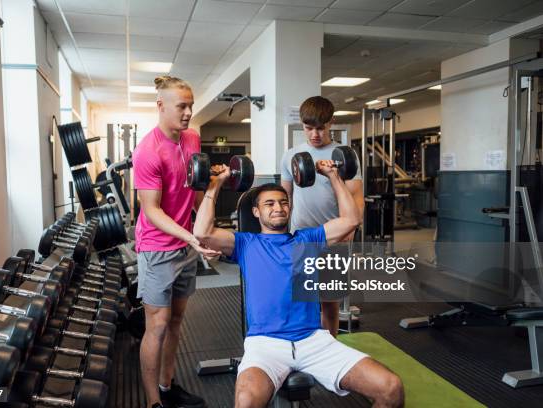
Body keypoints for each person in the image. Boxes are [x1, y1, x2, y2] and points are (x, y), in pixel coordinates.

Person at [193, 163, 403, 408]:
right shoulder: (245, 243)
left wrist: (334, 175)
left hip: (313, 341)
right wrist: (215, 184)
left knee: (391, 388)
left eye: (283, 202)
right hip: (265, 345)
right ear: (256, 212)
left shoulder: (308, 239)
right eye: (269, 204)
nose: (278, 208)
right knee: (246, 401)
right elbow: (202, 232)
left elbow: (352, 219)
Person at [132, 76, 217, 408]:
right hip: (156, 249)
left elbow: (194, 192)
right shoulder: (147, 151)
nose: (188, 112)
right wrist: (192, 237)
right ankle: (153, 402)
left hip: (185, 246)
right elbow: (151, 210)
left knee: (178, 320)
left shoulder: (192, 139)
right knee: (158, 325)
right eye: (181, 106)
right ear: (161, 106)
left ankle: (168, 386)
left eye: (190, 105)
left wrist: (211, 197)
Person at [281, 96, 365, 336]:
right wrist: (281, 235)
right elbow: (285, 197)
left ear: (331, 123)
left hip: (334, 236)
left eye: (320, 128)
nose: (314, 134)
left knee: (330, 301)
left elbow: (356, 197)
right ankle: (304, 348)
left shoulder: (345, 155)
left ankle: (332, 347)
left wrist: (350, 230)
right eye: (309, 128)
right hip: (301, 236)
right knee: (302, 299)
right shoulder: (290, 156)